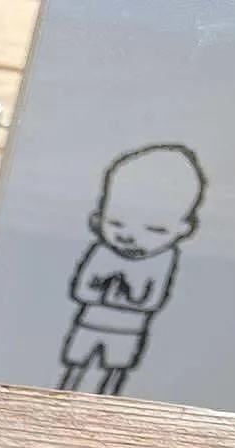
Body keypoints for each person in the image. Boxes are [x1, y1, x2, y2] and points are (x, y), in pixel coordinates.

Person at [58, 144, 206, 395]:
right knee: (75, 366)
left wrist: (127, 291)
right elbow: (82, 289)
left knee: (115, 372)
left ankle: (108, 408)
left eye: (155, 230)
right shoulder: (101, 251)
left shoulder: (163, 259)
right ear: (99, 217)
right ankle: (59, 397)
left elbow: (153, 300)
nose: (130, 237)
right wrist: (105, 288)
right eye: (116, 223)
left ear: (183, 229)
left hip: (128, 331)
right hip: (90, 323)